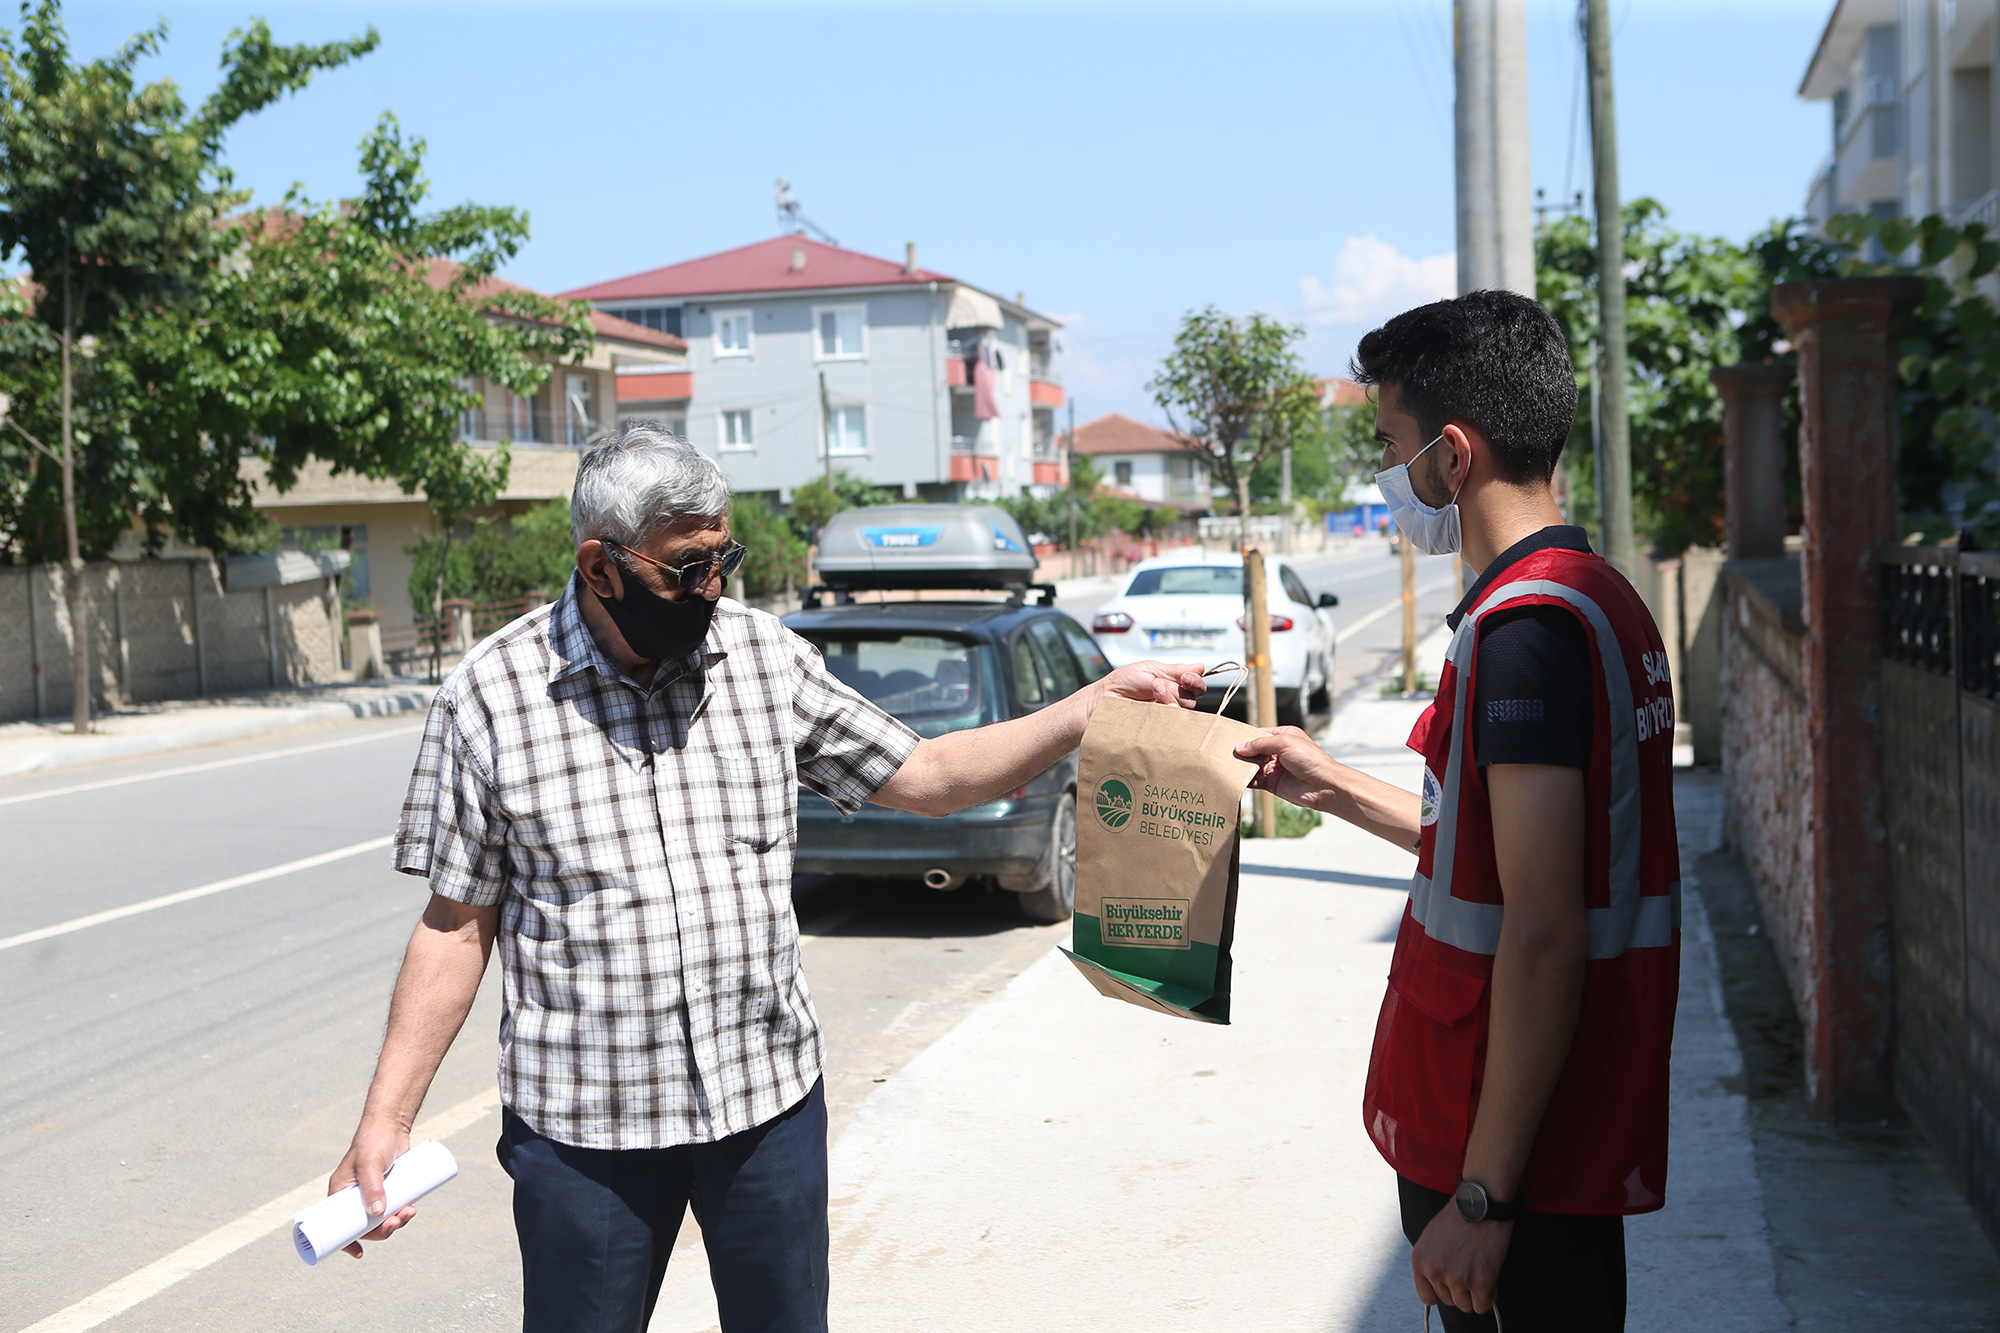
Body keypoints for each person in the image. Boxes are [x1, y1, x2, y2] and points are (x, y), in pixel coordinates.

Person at [326, 423, 1206, 1333]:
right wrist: (386, 1118)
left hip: (765, 1109)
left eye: (723, 560)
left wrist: (1089, 708)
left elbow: (931, 777)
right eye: (685, 568)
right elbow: (456, 924)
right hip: (587, 1129)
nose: (710, 588)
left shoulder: (763, 659)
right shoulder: (489, 696)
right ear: (599, 566)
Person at [1234, 291, 1680, 1331]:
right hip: (1538, 1123)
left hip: (1510, 1142)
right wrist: (1329, 781)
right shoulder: (1591, 593)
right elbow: (1485, 850)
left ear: (1452, 453)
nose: (1387, 475)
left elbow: (1539, 925)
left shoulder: (1523, 631)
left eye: (1391, 443)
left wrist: (1480, 1197)